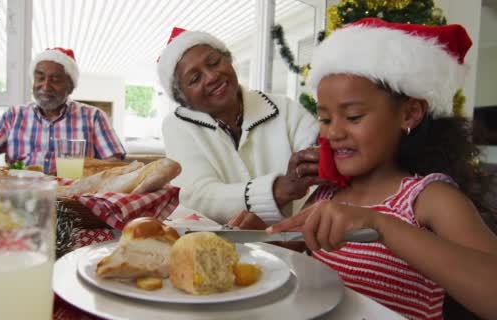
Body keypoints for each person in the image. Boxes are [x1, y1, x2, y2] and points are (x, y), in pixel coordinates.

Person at [267, 18, 497, 319]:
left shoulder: (428, 198)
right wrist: (259, 238)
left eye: (353, 117)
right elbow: (295, 260)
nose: (333, 133)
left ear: (409, 113)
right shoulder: (327, 194)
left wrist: (382, 226)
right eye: (325, 119)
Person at [158, 27, 321, 228]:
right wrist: (279, 190)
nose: (211, 77)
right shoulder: (177, 126)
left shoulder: (286, 109)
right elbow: (196, 196)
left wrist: (292, 233)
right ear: (182, 98)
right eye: (194, 79)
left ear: (228, 60)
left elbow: (321, 175)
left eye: (214, 62)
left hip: (299, 241)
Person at [0, 47, 125, 174]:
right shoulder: (14, 116)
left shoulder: (94, 117)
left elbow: (114, 164)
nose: (45, 86)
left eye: (55, 79)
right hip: (20, 194)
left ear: (70, 86)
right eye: (40, 78)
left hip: (72, 198)